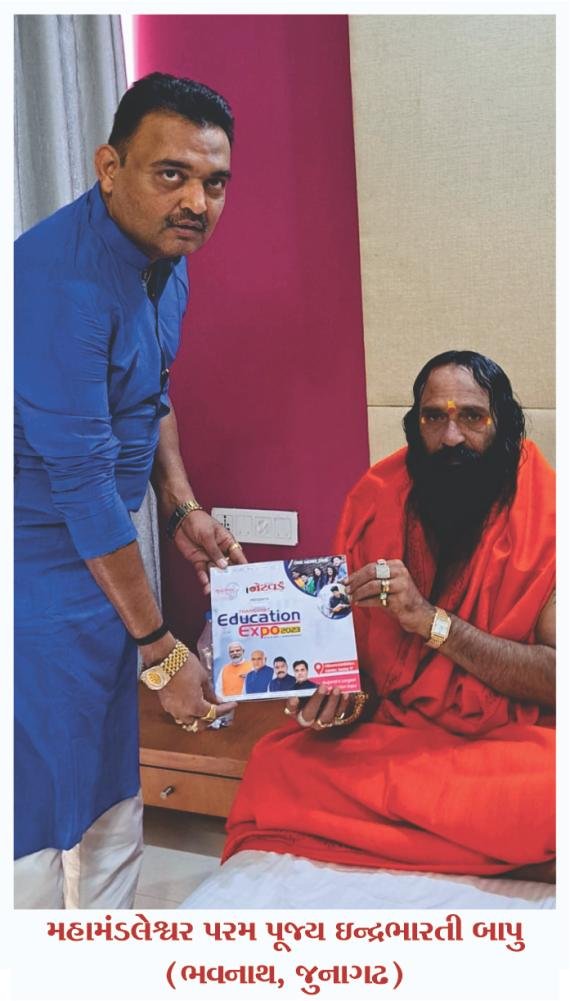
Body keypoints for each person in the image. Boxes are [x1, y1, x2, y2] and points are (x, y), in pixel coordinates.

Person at [14, 72, 248, 909]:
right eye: (171, 174)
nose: (196, 202)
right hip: (34, 568)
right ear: (109, 167)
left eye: (214, 182)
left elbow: (150, 395)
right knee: (33, 806)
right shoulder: (52, 284)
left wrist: (182, 506)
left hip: (108, 558)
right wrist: (161, 651)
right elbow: (79, 484)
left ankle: (106, 954)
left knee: (112, 784)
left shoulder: (164, 259)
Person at [224, 351, 555, 883]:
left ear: (505, 425)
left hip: (498, 745)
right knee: (275, 763)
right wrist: (339, 701)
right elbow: (361, 672)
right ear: (414, 424)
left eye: (472, 417)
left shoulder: (548, 514)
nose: (451, 437)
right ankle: (486, 844)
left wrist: (428, 620)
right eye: (434, 417)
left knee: (550, 789)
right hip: (395, 732)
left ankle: (438, 832)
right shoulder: (376, 499)